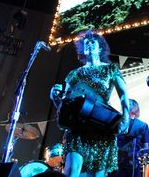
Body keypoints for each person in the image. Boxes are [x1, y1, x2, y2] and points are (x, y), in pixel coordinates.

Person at [50, 30, 130, 177]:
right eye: (86, 43)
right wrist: (55, 97)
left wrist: (126, 117)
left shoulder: (110, 69)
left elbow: (123, 95)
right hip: (78, 129)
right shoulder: (74, 74)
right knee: (71, 172)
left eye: (93, 42)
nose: (89, 44)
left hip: (101, 129)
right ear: (83, 49)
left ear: (100, 47)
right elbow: (65, 105)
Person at [113, 99, 149, 177]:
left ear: (135, 108)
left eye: (130, 104)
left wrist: (141, 152)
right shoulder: (116, 121)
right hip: (116, 164)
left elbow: (145, 148)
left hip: (133, 165)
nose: (127, 105)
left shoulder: (143, 126)